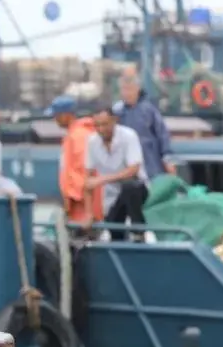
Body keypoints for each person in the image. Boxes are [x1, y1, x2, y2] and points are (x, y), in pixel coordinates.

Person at [85, 108, 149, 241]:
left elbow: (133, 170)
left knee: (130, 186)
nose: (101, 129)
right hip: (112, 198)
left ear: (114, 121)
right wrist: (89, 213)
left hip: (137, 193)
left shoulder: (129, 136)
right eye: (97, 125)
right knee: (114, 229)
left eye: (105, 124)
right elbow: (88, 181)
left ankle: (139, 232)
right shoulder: (92, 142)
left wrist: (102, 179)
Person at [48, 95, 101, 226]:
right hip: (78, 203)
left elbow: (83, 170)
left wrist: (73, 199)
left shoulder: (79, 135)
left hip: (81, 205)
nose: (55, 119)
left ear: (66, 115)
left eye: (57, 115)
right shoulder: (74, 134)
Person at [112, 75, 175, 179]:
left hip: (150, 163)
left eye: (129, 89)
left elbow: (162, 135)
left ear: (137, 89)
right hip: (126, 166)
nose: (126, 93)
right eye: (123, 90)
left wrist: (168, 159)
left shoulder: (149, 110)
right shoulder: (116, 112)